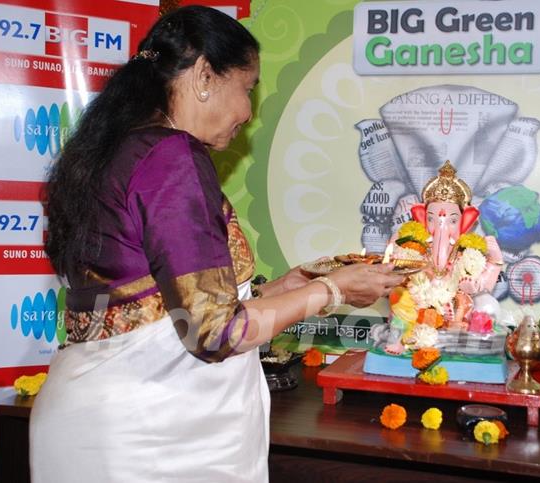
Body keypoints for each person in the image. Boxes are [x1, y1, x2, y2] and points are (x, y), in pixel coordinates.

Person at [30, 6, 404, 482]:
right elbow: (215, 332)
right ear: (206, 75)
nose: (248, 113)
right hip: (148, 439)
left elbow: (167, 305)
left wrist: (285, 287)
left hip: (106, 421)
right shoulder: (172, 156)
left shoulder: (125, 148)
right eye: (247, 88)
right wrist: (330, 292)